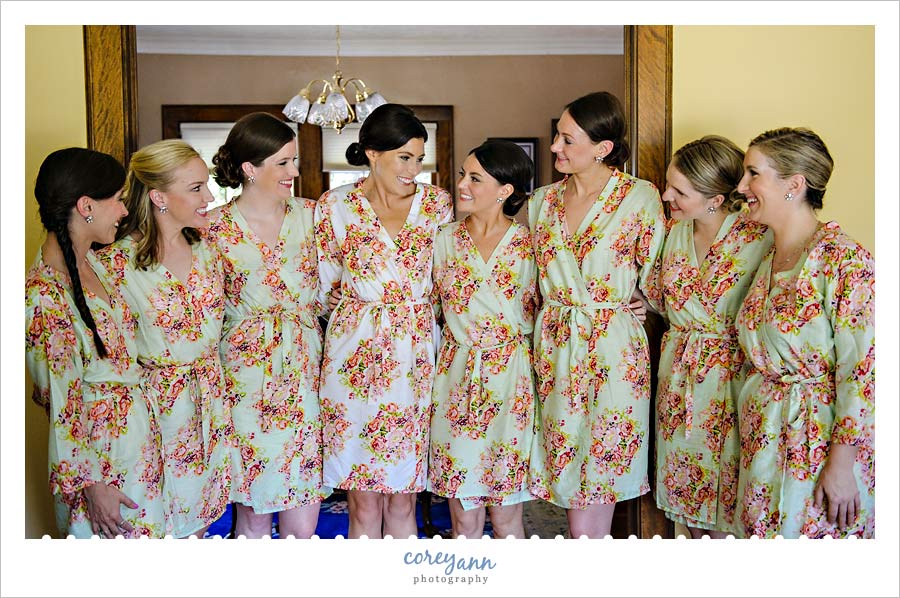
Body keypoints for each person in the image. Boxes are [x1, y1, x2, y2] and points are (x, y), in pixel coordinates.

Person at [527, 91, 665, 538]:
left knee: (604, 468)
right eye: (556, 137)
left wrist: (645, 298)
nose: (554, 147)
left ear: (603, 149)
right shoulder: (541, 203)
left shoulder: (640, 197)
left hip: (613, 345)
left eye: (567, 140)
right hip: (555, 343)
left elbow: (660, 272)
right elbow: (527, 277)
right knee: (564, 467)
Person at [315, 103, 454, 539]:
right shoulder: (335, 205)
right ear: (373, 154)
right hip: (354, 354)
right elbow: (322, 284)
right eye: (404, 157)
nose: (414, 168)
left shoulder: (437, 205)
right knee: (362, 500)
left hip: (414, 355)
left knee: (404, 497)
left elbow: (453, 275)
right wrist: (347, 300)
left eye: (419, 157)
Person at [734, 127, 874, 539]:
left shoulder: (843, 259)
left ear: (794, 185)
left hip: (817, 447)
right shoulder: (767, 255)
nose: (742, 187)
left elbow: (865, 369)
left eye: (752, 173)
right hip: (763, 441)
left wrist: (842, 466)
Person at [25, 148, 166, 538]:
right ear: (86, 206)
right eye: (119, 200)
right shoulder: (43, 295)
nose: (124, 212)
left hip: (139, 443)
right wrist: (93, 486)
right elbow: (62, 403)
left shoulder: (100, 266)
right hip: (99, 465)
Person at [97, 139, 232, 538]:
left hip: (209, 406)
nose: (209, 197)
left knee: (199, 526)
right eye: (196, 188)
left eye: (206, 185)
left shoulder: (210, 251)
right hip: (153, 414)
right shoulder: (113, 265)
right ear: (158, 196)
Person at [208, 112, 329, 538]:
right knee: (253, 512)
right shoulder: (213, 228)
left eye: (294, 161)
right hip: (243, 377)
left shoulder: (314, 216)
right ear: (249, 168)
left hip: (305, 372)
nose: (295, 172)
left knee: (304, 505)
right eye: (283, 163)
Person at [654, 136, 772, 538]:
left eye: (679, 191)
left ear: (716, 199)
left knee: (728, 509)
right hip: (678, 381)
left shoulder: (760, 239)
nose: (666, 195)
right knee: (685, 512)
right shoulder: (673, 234)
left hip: (732, 384)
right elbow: (658, 293)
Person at [428, 140, 538, 539]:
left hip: (512, 381)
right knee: (463, 516)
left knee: (508, 516)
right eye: (463, 174)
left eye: (475, 178)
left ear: (505, 190)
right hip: (457, 379)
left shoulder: (531, 245)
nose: (462, 184)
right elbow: (426, 307)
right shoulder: (442, 239)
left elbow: (557, 304)